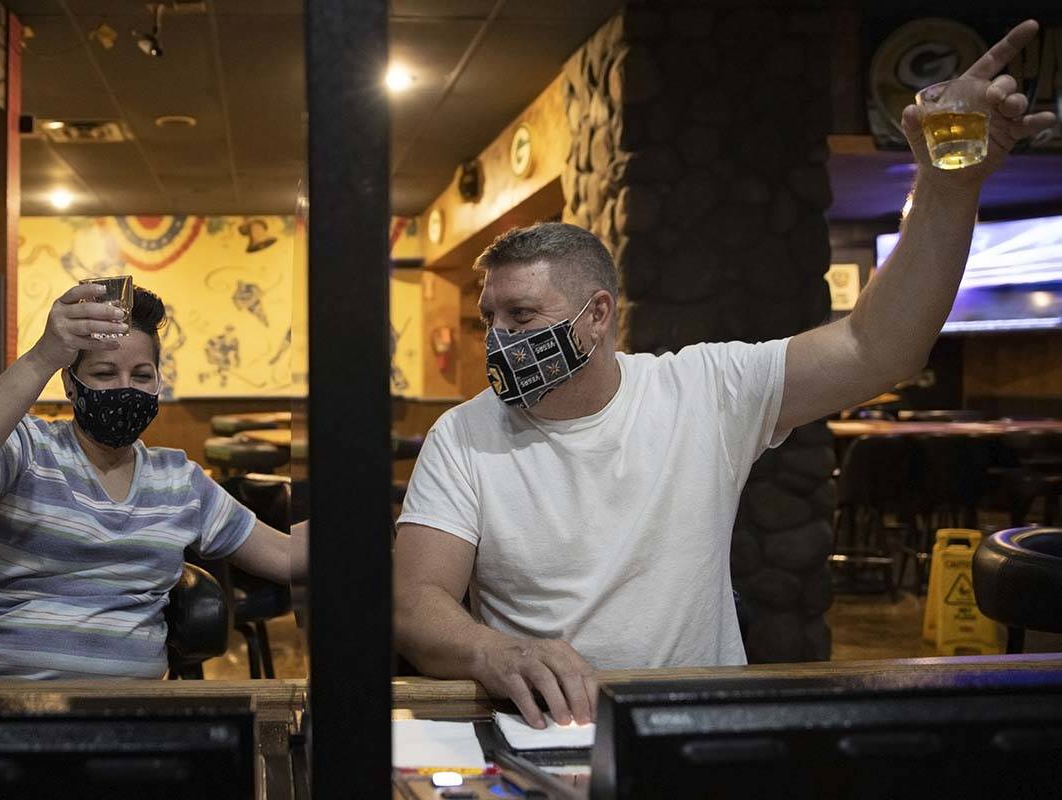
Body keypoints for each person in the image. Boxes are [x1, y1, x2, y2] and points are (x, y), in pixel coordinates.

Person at [394, 20, 1057, 728]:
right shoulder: (464, 434)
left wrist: (947, 182)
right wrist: (494, 653)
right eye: (489, 317)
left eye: (521, 317)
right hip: (540, 725)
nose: (498, 339)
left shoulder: (703, 390)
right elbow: (417, 601)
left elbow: (878, 348)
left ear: (596, 315)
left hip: (693, 722)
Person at [0, 282, 293, 679]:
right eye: (105, 372)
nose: (125, 388)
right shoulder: (27, 449)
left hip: (126, 723)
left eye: (142, 375)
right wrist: (43, 356)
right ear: (69, 383)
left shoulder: (180, 482)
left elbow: (285, 555)